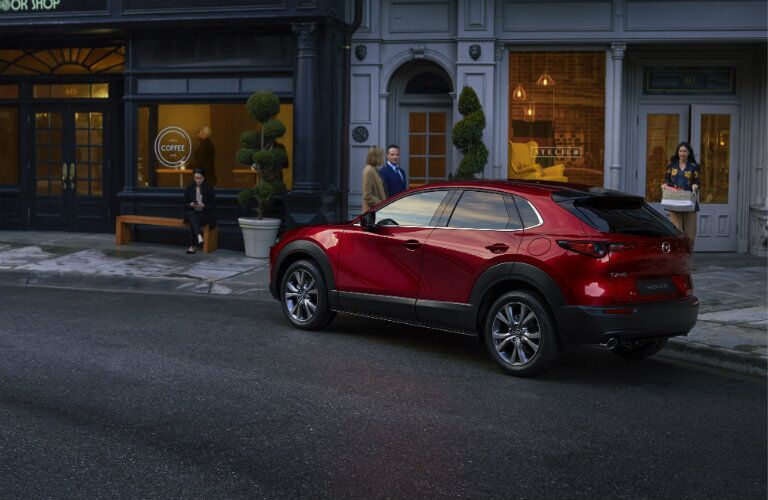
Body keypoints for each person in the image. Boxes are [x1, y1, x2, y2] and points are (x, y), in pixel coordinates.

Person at [662, 141, 700, 243]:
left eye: (685, 151)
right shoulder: (671, 165)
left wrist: (695, 186)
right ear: (678, 152)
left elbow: (697, 181)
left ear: (689, 153)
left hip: (689, 201)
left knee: (690, 234)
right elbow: (666, 180)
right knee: (676, 231)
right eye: (680, 151)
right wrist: (665, 185)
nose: (682, 153)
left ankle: (689, 256)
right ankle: (679, 256)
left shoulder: (694, 166)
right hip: (675, 200)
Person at [183, 168, 216, 254]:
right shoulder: (190, 186)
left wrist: (204, 205)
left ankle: (192, 246)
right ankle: (199, 236)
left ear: (204, 177)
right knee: (192, 215)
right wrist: (190, 204)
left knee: (194, 220)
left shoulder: (209, 188)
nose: (197, 180)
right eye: (196, 178)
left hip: (204, 214)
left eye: (199, 178)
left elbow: (213, 205)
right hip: (192, 212)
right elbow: (184, 203)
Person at [361, 146, 388, 212]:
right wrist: (382, 204)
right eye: (381, 155)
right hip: (371, 213)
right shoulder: (369, 170)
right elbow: (367, 196)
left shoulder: (374, 169)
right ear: (376, 157)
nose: (383, 158)